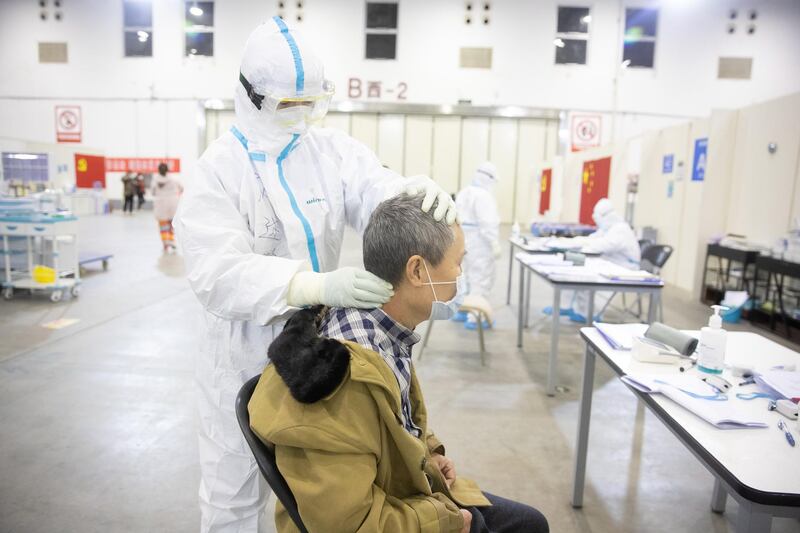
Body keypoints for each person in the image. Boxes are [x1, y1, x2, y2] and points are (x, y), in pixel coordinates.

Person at [174, 18, 456, 533]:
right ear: (251, 96)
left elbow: (373, 189)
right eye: (288, 105)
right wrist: (313, 285)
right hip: (241, 352)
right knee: (232, 499)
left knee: (319, 486)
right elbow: (215, 272)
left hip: (315, 353)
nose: (301, 117)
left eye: (311, 103)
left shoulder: (329, 152)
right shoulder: (219, 170)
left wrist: (406, 191)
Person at [249, 193, 549, 533]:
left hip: (398, 491)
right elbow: (351, 525)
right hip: (378, 516)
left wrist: (428, 452)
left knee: (529, 522)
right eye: (457, 262)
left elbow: (394, 421)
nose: (460, 274)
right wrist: (446, 520)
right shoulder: (342, 383)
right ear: (418, 270)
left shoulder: (384, 330)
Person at [568, 198, 641, 322]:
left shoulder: (620, 229)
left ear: (607, 216)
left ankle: (592, 313)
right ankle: (578, 309)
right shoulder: (608, 228)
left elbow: (603, 245)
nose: (598, 222)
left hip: (625, 268)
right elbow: (593, 238)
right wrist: (572, 242)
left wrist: (584, 245)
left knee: (587, 274)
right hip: (612, 263)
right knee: (578, 269)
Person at [455, 161, 501, 330]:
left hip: (462, 240)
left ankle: (461, 310)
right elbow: (487, 222)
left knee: (463, 277)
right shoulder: (484, 196)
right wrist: (494, 242)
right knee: (480, 278)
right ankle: (476, 317)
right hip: (480, 242)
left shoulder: (464, 192)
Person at [151, 163, 183, 253]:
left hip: (160, 205)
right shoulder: (174, 180)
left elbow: (152, 192)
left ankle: (165, 243)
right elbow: (182, 188)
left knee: (163, 226)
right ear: (167, 170)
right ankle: (172, 241)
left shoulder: (155, 181)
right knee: (171, 225)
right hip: (173, 204)